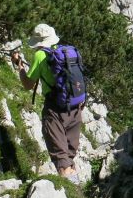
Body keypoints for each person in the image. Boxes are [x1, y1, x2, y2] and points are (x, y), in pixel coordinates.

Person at [11, 23, 83, 182]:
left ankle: (69, 195)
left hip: (55, 109)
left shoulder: (39, 56)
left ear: (38, 42)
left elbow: (28, 85)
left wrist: (20, 66)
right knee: (69, 154)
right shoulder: (66, 50)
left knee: (60, 156)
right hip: (76, 107)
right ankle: (77, 195)